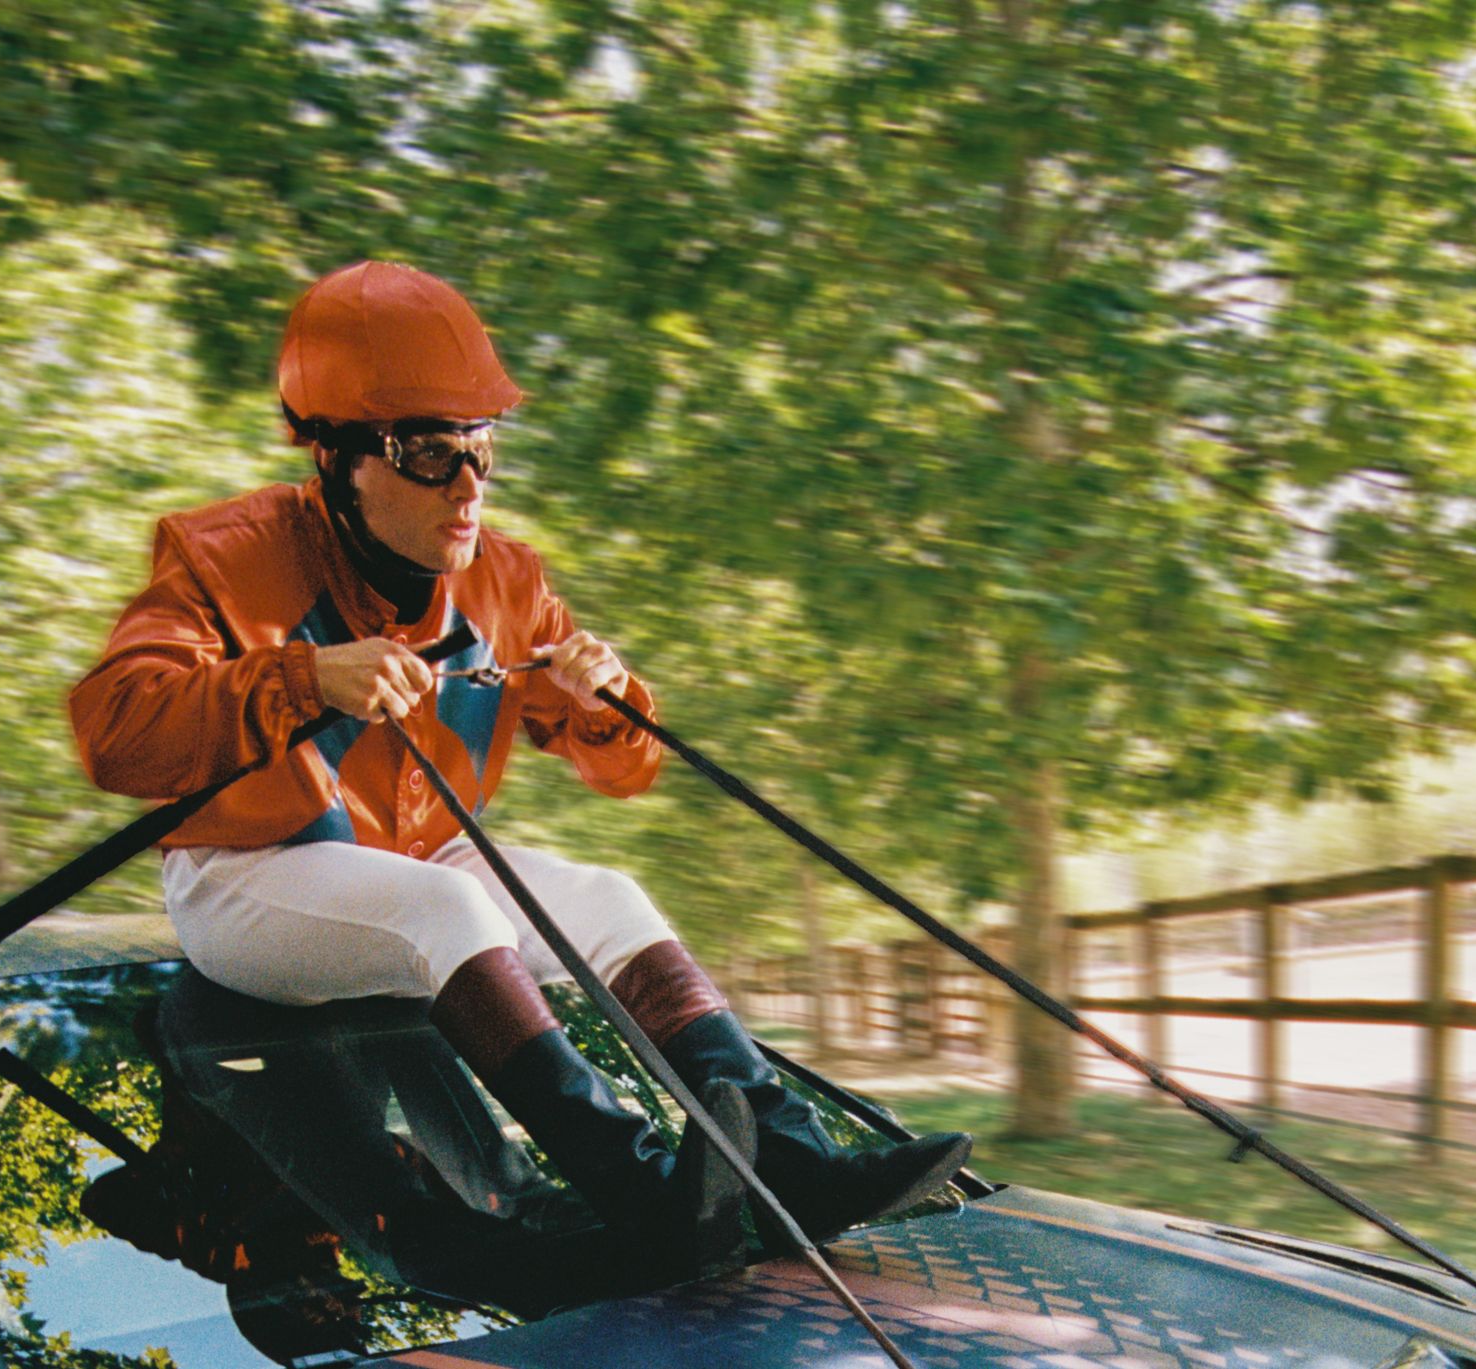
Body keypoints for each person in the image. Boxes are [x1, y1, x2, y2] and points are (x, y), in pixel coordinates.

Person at [68, 260, 969, 1275]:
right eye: (427, 452)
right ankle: (643, 1195)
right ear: (337, 458)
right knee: (449, 914)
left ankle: (791, 1162)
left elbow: (625, 770)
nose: (466, 485)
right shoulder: (218, 556)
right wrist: (302, 675)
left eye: (482, 450)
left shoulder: (506, 578)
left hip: (423, 859)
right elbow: (116, 730)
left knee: (611, 894)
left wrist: (604, 705)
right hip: (247, 876)